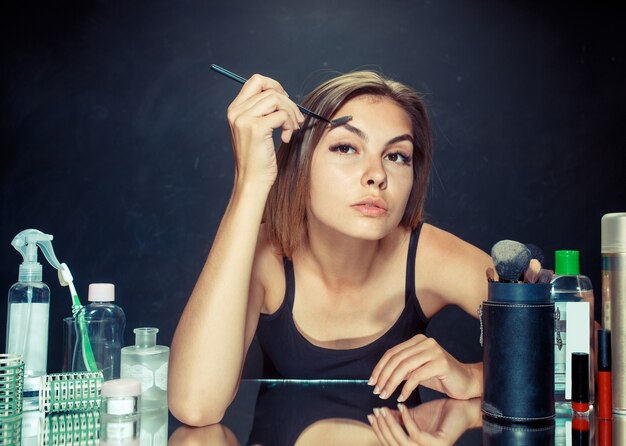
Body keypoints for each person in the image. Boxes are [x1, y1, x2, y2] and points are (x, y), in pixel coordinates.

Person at [168, 70, 493, 427]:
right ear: (301, 161)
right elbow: (195, 405)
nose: (377, 175)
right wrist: (250, 181)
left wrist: (474, 376)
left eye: (397, 156)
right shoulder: (265, 255)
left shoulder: (429, 254)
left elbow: (562, 338)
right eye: (346, 147)